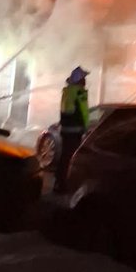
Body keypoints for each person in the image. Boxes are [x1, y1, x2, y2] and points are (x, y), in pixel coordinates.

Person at [54, 66, 90, 194]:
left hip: (66, 130)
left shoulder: (67, 92)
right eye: (83, 78)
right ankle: (65, 185)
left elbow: (66, 111)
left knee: (64, 157)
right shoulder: (80, 93)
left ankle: (58, 183)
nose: (85, 81)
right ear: (79, 80)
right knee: (72, 159)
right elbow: (84, 112)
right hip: (75, 131)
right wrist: (86, 127)